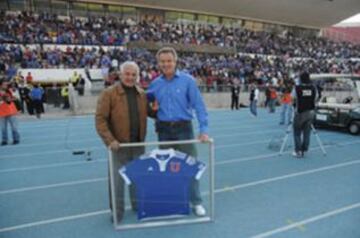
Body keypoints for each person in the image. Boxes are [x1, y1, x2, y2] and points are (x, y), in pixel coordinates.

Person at [147, 47, 209, 217]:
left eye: (169, 61)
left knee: (189, 167)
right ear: (158, 63)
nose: (166, 64)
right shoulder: (154, 84)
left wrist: (203, 129)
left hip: (184, 128)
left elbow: (199, 105)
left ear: (175, 62)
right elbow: (146, 106)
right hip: (164, 130)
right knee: (167, 168)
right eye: (163, 61)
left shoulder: (188, 81)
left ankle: (196, 202)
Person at [95, 61, 148, 222]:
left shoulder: (141, 93)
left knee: (137, 179)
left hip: (137, 145)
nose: (130, 77)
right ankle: (117, 212)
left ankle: (137, 205)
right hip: (118, 146)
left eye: (134, 74)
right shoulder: (109, 93)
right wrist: (110, 140)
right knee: (117, 182)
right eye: (127, 74)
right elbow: (100, 120)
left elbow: (150, 112)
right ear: (120, 74)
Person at [292, 72, 317, 158]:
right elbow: (316, 97)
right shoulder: (313, 88)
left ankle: (298, 151)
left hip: (300, 112)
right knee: (307, 133)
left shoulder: (297, 88)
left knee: (297, 132)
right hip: (310, 112)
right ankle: (305, 150)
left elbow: (293, 97)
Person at [0, 79, 20, 145]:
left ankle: (16, 139)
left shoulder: (10, 91)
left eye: (6, 84)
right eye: (4, 84)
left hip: (11, 111)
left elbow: (15, 98)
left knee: (14, 127)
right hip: (2, 112)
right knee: (3, 128)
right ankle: (4, 140)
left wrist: (10, 98)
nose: (6, 85)